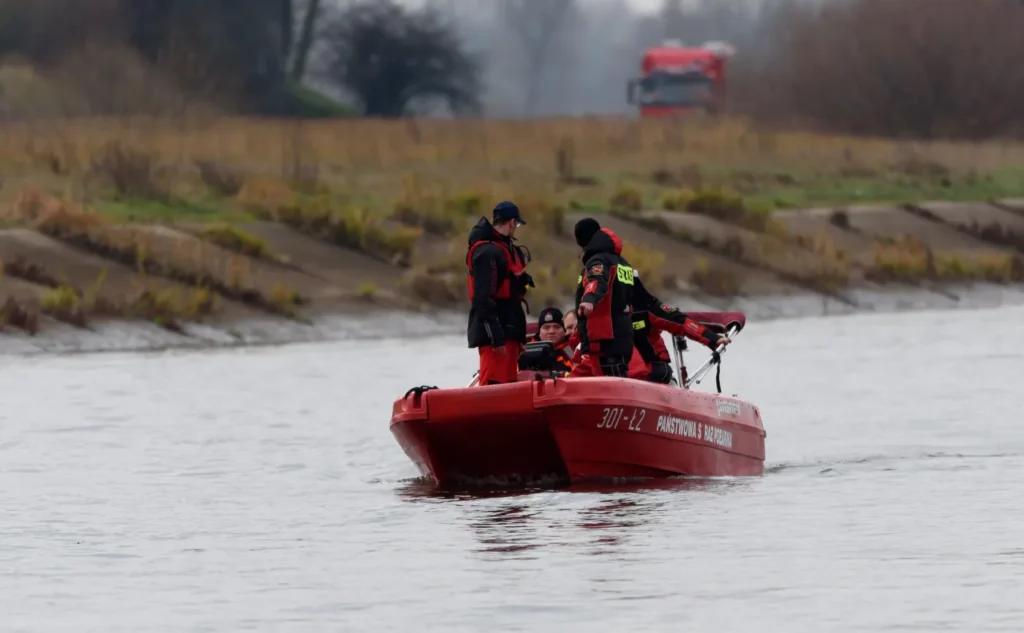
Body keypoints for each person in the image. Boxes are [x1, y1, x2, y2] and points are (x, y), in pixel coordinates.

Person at [466, 201, 534, 385]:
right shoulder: (487, 252)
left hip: (509, 332)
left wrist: (519, 337)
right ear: (511, 222)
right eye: (517, 224)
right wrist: (496, 339)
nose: (516, 229)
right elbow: (482, 300)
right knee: (494, 388)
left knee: (508, 387)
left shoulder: (506, 248)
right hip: (496, 338)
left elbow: (513, 299)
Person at [631, 269, 730, 384]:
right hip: (617, 371)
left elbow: (681, 322)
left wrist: (713, 338)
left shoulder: (647, 305)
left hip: (653, 371)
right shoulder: (607, 309)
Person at [569, 218, 636, 378]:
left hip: (605, 340)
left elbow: (597, 279)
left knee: (612, 389)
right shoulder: (623, 263)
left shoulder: (597, 260)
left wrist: (589, 299)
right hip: (622, 337)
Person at [527, 307, 574, 375]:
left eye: (556, 327)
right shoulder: (525, 352)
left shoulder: (573, 350)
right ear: (539, 332)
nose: (551, 331)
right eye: (546, 328)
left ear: (564, 330)